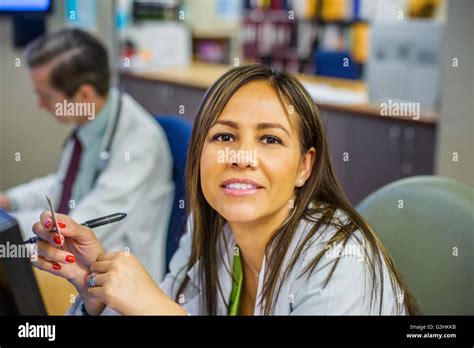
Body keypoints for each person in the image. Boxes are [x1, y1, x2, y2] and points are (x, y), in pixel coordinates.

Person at [31, 64, 419, 315]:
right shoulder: (211, 227)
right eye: (224, 136)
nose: (242, 156)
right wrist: (97, 296)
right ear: (199, 152)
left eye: (270, 140)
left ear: (305, 166)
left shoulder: (339, 263)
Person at [0, 28, 174, 281]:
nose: (40, 105)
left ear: (84, 95)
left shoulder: (140, 143)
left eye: (45, 96)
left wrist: (10, 227)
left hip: (115, 280)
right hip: (79, 263)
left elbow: (79, 228)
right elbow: (63, 185)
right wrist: (9, 201)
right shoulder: (91, 119)